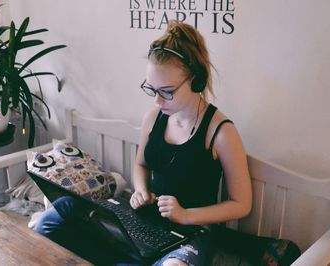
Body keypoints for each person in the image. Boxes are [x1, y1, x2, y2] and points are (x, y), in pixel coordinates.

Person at [34, 20, 252, 266]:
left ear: (197, 80)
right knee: (50, 221)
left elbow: (242, 204)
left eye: (167, 91)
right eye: (152, 89)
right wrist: (141, 190)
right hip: (147, 220)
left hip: (193, 232)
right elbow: (141, 165)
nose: (158, 101)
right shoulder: (154, 117)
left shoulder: (221, 132)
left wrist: (186, 214)